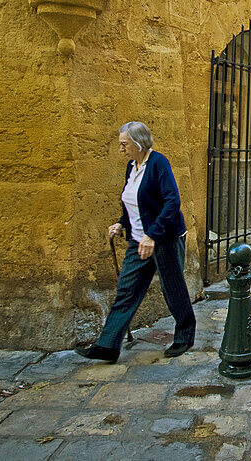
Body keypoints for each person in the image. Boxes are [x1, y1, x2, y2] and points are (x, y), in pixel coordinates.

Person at [75, 122, 196, 362]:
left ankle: (184, 337)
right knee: (126, 290)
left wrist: (153, 235)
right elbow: (133, 201)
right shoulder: (132, 166)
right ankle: (108, 345)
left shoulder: (158, 164)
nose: (121, 149)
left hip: (165, 239)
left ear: (138, 143)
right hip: (138, 240)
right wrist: (121, 222)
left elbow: (172, 202)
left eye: (124, 144)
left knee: (173, 288)